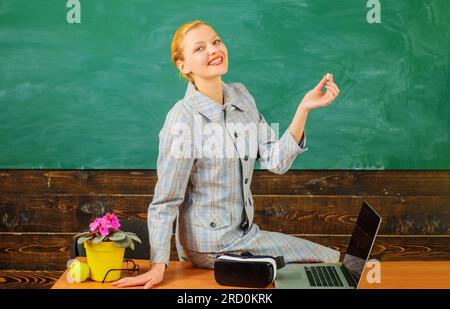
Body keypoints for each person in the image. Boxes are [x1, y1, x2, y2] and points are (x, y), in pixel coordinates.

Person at [112, 20, 340, 289]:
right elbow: (165, 202)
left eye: (216, 41)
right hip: (210, 247)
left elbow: (275, 161)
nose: (213, 49)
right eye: (199, 48)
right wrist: (158, 266)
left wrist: (303, 109)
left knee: (327, 261)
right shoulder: (182, 120)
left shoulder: (240, 96)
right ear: (183, 66)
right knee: (327, 260)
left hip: (244, 236)